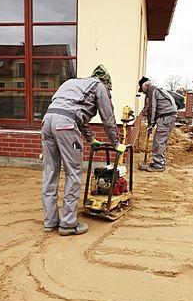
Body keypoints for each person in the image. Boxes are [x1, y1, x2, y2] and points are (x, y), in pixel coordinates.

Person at [41, 65, 126, 236]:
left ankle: (50, 222)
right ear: (106, 82)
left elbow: (73, 113)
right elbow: (107, 117)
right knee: (73, 174)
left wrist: (90, 139)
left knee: (50, 173)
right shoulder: (99, 86)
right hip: (65, 125)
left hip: (47, 122)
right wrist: (116, 143)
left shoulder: (72, 83)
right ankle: (68, 224)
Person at [138, 76, 177, 172]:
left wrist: (151, 124)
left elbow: (152, 108)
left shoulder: (151, 90)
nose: (143, 92)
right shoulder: (156, 89)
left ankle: (158, 165)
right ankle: (159, 162)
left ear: (145, 85)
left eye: (142, 90)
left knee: (158, 141)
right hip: (168, 116)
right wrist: (152, 123)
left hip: (166, 117)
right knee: (161, 140)